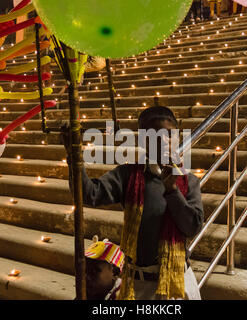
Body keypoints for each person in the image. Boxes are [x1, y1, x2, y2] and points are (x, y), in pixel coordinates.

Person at [63, 106, 204, 300]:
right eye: (154, 135)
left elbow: (192, 227)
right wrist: (74, 157)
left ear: (178, 138)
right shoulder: (128, 176)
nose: (163, 141)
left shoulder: (189, 182)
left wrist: (172, 191)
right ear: (143, 140)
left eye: (169, 135)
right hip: (139, 286)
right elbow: (90, 194)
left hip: (177, 283)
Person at [85, 236, 124, 300]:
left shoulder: (121, 295)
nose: (87, 276)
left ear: (114, 272)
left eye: (94, 271)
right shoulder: (90, 290)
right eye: (86, 269)